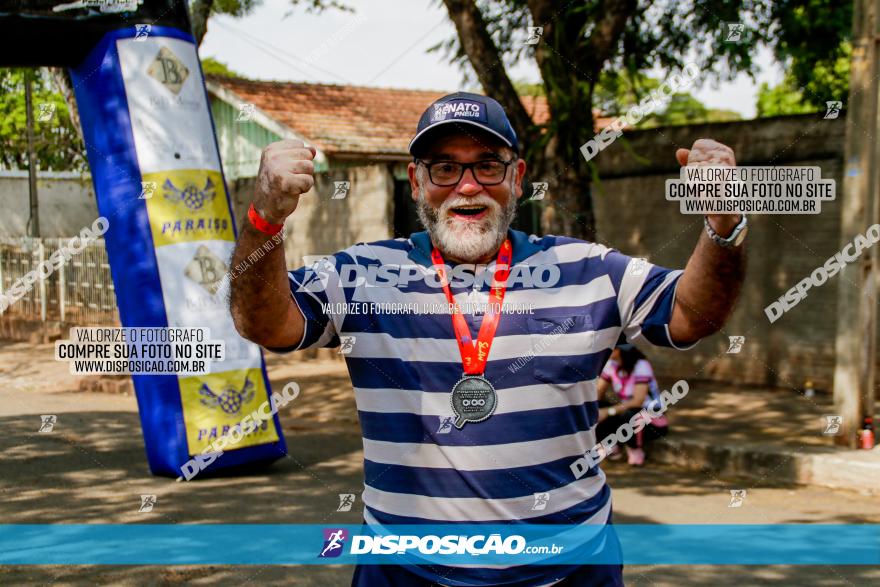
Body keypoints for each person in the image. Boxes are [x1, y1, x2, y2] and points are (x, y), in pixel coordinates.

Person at [229, 91, 747, 587]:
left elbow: (692, 315)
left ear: (517, 177)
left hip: (572, 571)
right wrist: (264, 218)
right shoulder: (362, 273)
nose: (468, 185)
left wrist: (724, 222)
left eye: (488, 164)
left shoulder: (586, 268)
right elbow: (266, 323)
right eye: (444, 167)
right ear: (415, 180)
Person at [596, 341, 669, 466]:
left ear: (618, 350)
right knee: (593, 406)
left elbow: (638, 401)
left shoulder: (641, 365)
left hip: (650, 418)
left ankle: (635, 451)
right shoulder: (611, 365)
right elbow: (598, 392)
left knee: (631, 414)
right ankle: (611, 446)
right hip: (627, 411)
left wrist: (608, 411)